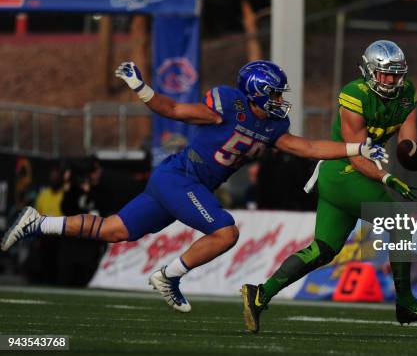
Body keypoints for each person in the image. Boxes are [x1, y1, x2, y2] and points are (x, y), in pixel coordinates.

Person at [1, 60, 388, 312]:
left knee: (113, 230)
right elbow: (172, 110)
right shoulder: (226, 104)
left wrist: (356, 147)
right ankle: (168, 274)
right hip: (180, 178)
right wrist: (141, 87)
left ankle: (38, 223)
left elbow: (305, 146)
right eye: (272, 93)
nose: (278, 100)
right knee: (225, 231)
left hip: (182, 183)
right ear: (253, 92)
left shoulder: (273, 126)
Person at [241, 40, 417, 333]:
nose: (390, 81)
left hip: (350, 177)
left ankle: (260, 294)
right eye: (383, 74)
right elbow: (357, 153)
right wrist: (386, 178)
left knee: (323, 249)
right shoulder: (354, 95)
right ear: (368, 71)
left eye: (394, 74)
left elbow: (408, 146)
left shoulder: (407, 93)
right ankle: (405, 302)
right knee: (401, 222)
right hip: (345, 171)